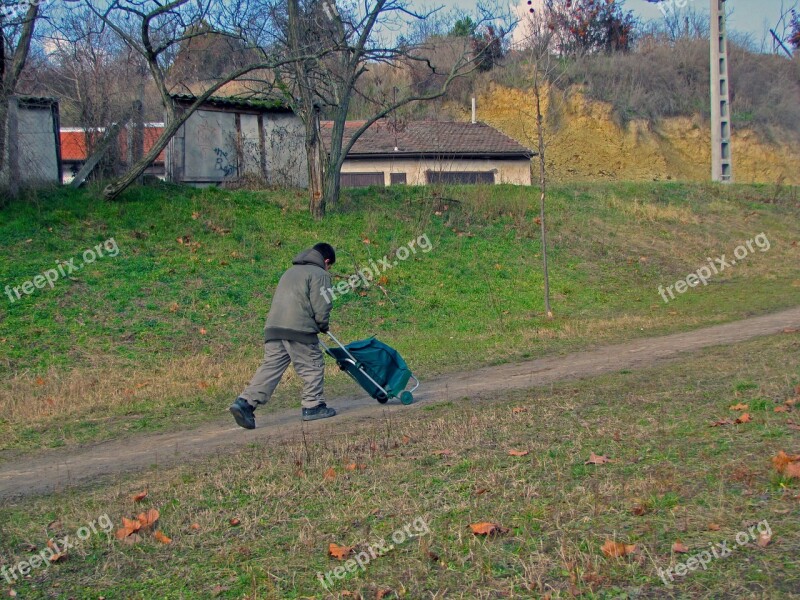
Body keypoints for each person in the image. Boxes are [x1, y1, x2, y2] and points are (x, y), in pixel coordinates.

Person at [229, 243, 337, 429]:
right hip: (299, 328)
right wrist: (322, 324)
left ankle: (245, 403)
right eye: (330, 266)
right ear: (326, 261)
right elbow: (322, 304)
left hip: (274, 327)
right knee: (312, 365)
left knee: (271, 368)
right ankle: (313, 405)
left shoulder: (290, 271)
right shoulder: (320, 274)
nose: (329, 269)